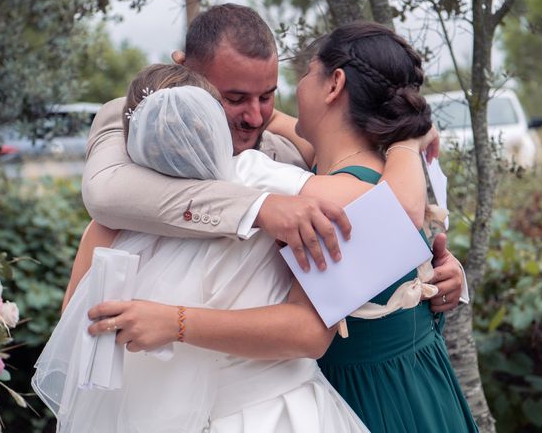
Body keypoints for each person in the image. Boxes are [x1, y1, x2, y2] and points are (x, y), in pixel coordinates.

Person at [87, 22, 478, 432]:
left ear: (334, 84)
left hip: (376, 400)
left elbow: (310, 328)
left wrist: (175, 321)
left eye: (304, 74)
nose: (261, 112)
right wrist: (406, 139)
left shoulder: (343, 194)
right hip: (420, 385)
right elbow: (281, 125)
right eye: (235, 97)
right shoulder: (342, 171)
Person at [34, 64, 371, 432]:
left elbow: (82, 348)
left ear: (131, 138)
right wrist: (406, 142)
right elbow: (374, 207)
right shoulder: (264, 183)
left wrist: (171, 323)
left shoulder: (110, 222)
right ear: (215, 124)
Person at [81, 4, 467, 311]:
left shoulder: (284, 149)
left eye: (266, 96)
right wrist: (261, 208)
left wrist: (429, 274)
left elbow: (368, 207)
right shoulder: (134, 119)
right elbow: (107, 193)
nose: (254, 116)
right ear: (184, 68)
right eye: (233, 99)